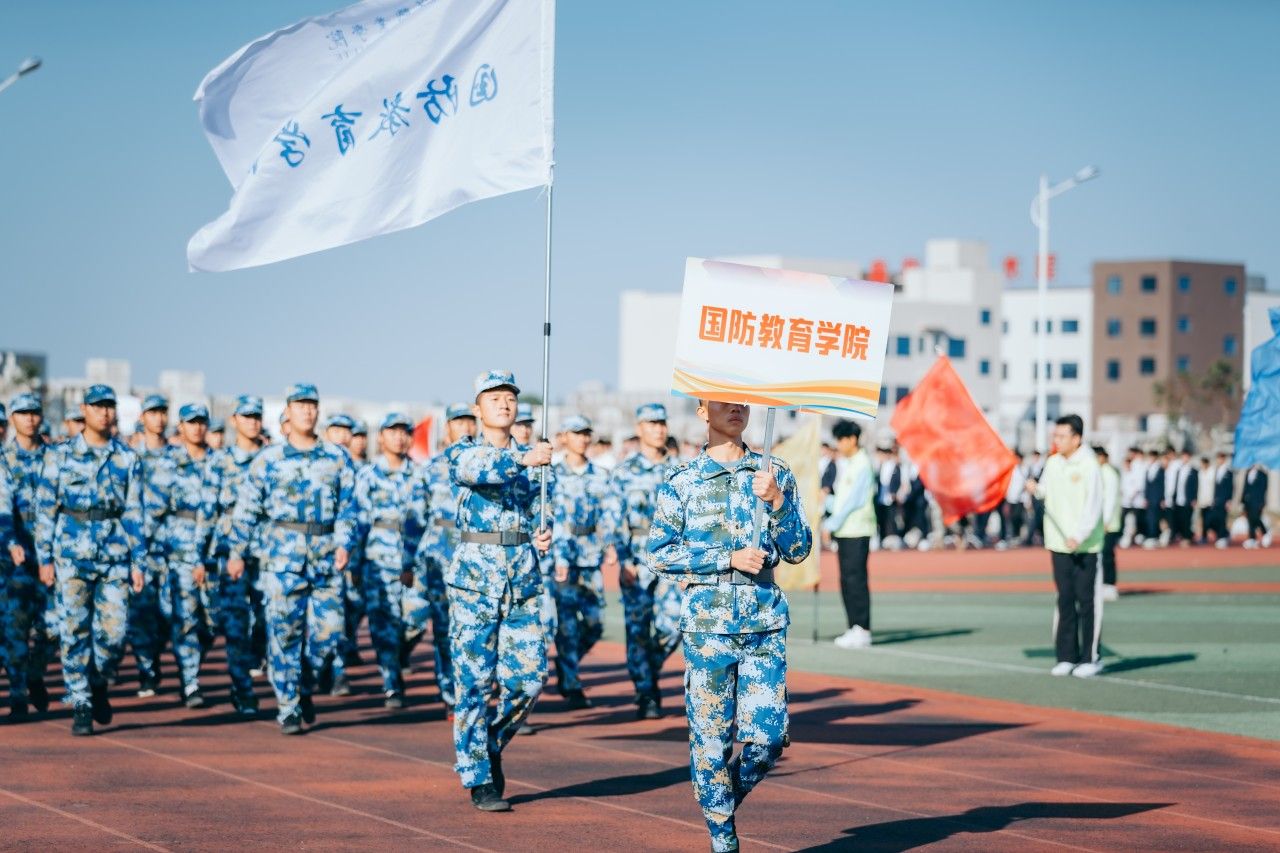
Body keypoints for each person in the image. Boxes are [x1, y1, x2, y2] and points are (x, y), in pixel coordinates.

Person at [649, 399, 812, 853]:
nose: (736, 408)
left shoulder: (774, 472)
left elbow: (799, 549)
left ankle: (718, 801)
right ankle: (723, 838)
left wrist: (777, 501)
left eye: (742, 401)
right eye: (723, 401)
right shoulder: (683, 480)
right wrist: (727, 558)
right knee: (711, 741)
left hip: (763, 621)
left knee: (768, 740)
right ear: (703, 411)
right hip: (708, 626)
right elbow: (660, 554)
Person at [445, 370, 553, 812]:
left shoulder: (535, 459)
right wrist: (525, 459)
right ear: (478, 408)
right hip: (474, 582)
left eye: (509, 397)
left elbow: (543, 508)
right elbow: (478, 471)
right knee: (473, 682)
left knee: (530, 678)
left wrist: (543, 532)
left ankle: (490, 741)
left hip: (522, 578)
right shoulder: (463, 451)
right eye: (494, 398)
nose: (504, 404)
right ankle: (477, 776)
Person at [225, 383, 357, 735]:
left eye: (312, 404)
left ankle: (306, 682)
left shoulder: (336, 457)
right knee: (284, 634)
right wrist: (237, 552)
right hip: (282, 558)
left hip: (326, 557)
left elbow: (349, 507)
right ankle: (288, 706)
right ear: (287, 411)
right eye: (300, 405)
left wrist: (345, 543)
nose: (307, 411)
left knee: (330, 634)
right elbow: (247, 509)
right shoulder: (269, 459)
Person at [33, 385, 148, 735]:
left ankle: (99, 679)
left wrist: (139, 561)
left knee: (115, 632)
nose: (104, 412)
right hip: (71, 553)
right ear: (84, 409)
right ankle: (80, 701)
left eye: (109, 406)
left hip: (114, 554)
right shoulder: (60, 455)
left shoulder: (127, 458)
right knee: (73, 630)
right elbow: (45, 509)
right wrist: (44, 557)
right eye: (97, 406)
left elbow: (134, 512)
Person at [610, 403, 681, 720]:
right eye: (651, 424)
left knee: (674, 623)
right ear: (639, 429)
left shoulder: (681, 469)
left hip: (672, 555)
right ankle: (646, 692)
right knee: (638, 628)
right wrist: (623, 559)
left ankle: (647, 668)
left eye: (662, 423)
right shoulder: (624, 471)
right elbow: (614, 519)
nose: (658, 429)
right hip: (637, 556)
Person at [353, 413, 428, 708]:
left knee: (417, 617)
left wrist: (413, 561)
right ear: (381, 437)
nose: (399, 437)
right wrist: (355, 563)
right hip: (377, 561)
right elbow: (358, 522)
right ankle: (392, 684)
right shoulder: (368, 476)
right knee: (382, 624)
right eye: (393, 431)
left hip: (413, 560)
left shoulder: (419, 475)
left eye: (404, 432)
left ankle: (400, 655)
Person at [148, 403, 219, 709]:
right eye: (191, 422)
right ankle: (190, 681)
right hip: (179, 555)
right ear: (181, 426)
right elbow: (153, 512)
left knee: (215, 621)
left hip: (214, 554)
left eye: (202, 422)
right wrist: (151, 555)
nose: (197, 427)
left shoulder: (219, 463)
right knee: (185, 618)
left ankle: (189, 660)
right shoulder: (169, 463)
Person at [1027, 415, 1105, 679]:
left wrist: (1080, 535)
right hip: (1058, 544)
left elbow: (1094, 505)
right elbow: (1046, 492)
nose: (1057, 441)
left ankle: (1090, 658)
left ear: (1076, 438)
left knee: (1087, 602)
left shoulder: (1089, 465)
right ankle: (1066, 656)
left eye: (1061, 436)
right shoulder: (1053, 462)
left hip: (1086, 546)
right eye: (1055, 436)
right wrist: (1035, 489)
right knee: (1065, 599)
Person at [204, 394, 267, 714]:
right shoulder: (220, 461)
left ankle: (257, 661)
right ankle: (242, 687)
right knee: (235, 622)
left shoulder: (271, 459)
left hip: (268, 551)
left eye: (257, 416)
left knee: (268, 620)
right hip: (229, 552)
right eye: (246, 416)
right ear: (234, 421)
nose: (252, 422)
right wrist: (201, 557)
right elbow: (207, 511)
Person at [412, 403, 476, 714]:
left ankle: (473, 689)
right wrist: (409, 562)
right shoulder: (432, 469)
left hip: (476, 555)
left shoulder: (486, 465)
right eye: (458, 422)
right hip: (439, 556)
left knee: (474, 628)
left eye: (470, 421)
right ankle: (450, 691)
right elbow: (415, 519)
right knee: (443, 628)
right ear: (447, 428)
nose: (465, 427)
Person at [549, 415, 615, 709]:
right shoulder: (551, 474)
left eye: (586, 433)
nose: (582, 439)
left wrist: (610, 543)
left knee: (595, 623)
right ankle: (571, 681)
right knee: (566, 625)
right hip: (561, 555)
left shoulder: (600, 475)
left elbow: (608, 513)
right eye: (576, 433)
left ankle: (567, 662)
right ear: (564, 437)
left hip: (590, 554)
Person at [1, 393, 54, 719]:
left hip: (53, 557)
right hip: (16, 558)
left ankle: (35, 673)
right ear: (13, 418)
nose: (30, 418)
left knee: (55, 627)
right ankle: (18, 692)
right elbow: (2, 506)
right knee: (16, 627)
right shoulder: (4, 460)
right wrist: (10, 541)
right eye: (23, 413)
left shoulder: (56, 458)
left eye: (34, 412)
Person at [129, 393, 171, 697]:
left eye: (162, 412)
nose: (158, 418)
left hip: (172, 550)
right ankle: (146, 670)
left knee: (171, 615)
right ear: (142, 417)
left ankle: (155, 653)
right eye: (152, 412)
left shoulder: (178, 458)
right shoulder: (130, 458)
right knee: (141, 615)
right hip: (140, 549)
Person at [822, 419, 875, 649]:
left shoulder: (862, 464)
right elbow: (842, 499)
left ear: (852, 439)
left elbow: (854, 501)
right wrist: (826, 502)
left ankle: (862, 627)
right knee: (846, 580)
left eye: (841, 440)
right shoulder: (850, 464)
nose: (839, 445)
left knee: (856, 579)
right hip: (845, 530)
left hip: (857, 529)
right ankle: (854, 626)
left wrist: (831, 523)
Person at [1095, 446, 1122, 602]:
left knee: (1107, 554)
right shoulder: (1099, 472)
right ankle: (1102, 584)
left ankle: (1110, 585)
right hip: (1100, 521)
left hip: (1109, 522)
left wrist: (1106, 521)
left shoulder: (1108, 473)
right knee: (1100, 554)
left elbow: (1110, 498)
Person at [1119, 448, 1147, 547]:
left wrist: (1131, 495)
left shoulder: (1136, 470)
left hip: (1135, 501)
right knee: (1125, 520)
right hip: (1125, 501)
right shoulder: (1123, 473)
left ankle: (1137, 537)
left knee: (1136, 520)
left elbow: (1138, 485)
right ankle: (1125, 536)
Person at [998, 451, 1026, 549]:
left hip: (1021, 499)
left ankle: (1016, 536)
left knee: (1017, 517)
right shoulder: (1011, 470)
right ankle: (1009, 536)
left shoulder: (1025, 469)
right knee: (1009, 518)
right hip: (1010, 498)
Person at [1172, 449, 1198, 547]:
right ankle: (1182, 536)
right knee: (1180, 519)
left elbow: (1196, 485)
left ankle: (1187, 538)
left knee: (1187, 519)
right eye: (1183, 456)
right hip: (1179, 499)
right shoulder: (1179, 470)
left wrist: (1194, 498)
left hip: (1188, 499)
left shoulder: (1193, 471)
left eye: (1186, 456)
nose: (1184, 458)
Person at [1242, 464, 1270, 549]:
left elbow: (1264, 489)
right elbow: (1245, 488)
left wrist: (1262, 502)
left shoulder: (1262, 474)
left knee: (1256, 518)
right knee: (1250, 520)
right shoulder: (1247, 473)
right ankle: (1252, 538)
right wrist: (1242, 500)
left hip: (1257, 501)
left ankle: (1265, 533)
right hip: (1248, 501)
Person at [1210, 453, 1234, 548]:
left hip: (1224, 500)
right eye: (1218, 458)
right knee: (1213, 519)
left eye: (1221, 458)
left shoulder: (1229, 472)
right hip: (1216, 500)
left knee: (1222, 519)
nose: (1219, 460)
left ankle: (1222, 538)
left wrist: (1229, 500)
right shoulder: (1216, 471)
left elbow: (1230, 487)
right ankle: (1225, 533)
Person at [1142, 449, 1165, 549]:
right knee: (1149, 518)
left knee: (1155, 518)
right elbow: (1146, 485)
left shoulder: (1160, 469)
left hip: (1157, 498)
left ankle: (1155, 536)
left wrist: (1162, 498)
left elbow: (1162, 485)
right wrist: (1145, 498)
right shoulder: (1148, 468)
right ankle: (1151, 536)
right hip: (1150, 498)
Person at [1196, 457, 1215, 544]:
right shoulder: (1200, 473)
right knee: (1204, 520)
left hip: (1211, 500)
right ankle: (1204, 536)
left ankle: (1223, 532)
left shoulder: (1212, 472)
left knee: (1210, 519)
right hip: (1202, 500)